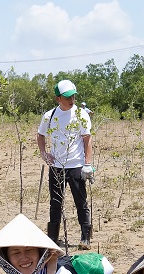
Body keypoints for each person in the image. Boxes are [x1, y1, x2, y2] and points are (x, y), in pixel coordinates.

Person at [37, 79, 95, 250]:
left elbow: (87, 139)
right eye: (68, 97)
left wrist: (87, 164)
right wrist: (43, 153)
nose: (72, 100)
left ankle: (85, 238)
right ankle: (52, 238)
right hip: (57, 167)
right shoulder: (50, 116)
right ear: (58, 99)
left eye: (74, 96)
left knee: (81, 202)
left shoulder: (81, 114)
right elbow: (40, 135)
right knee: (55, 202)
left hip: (76, 165)